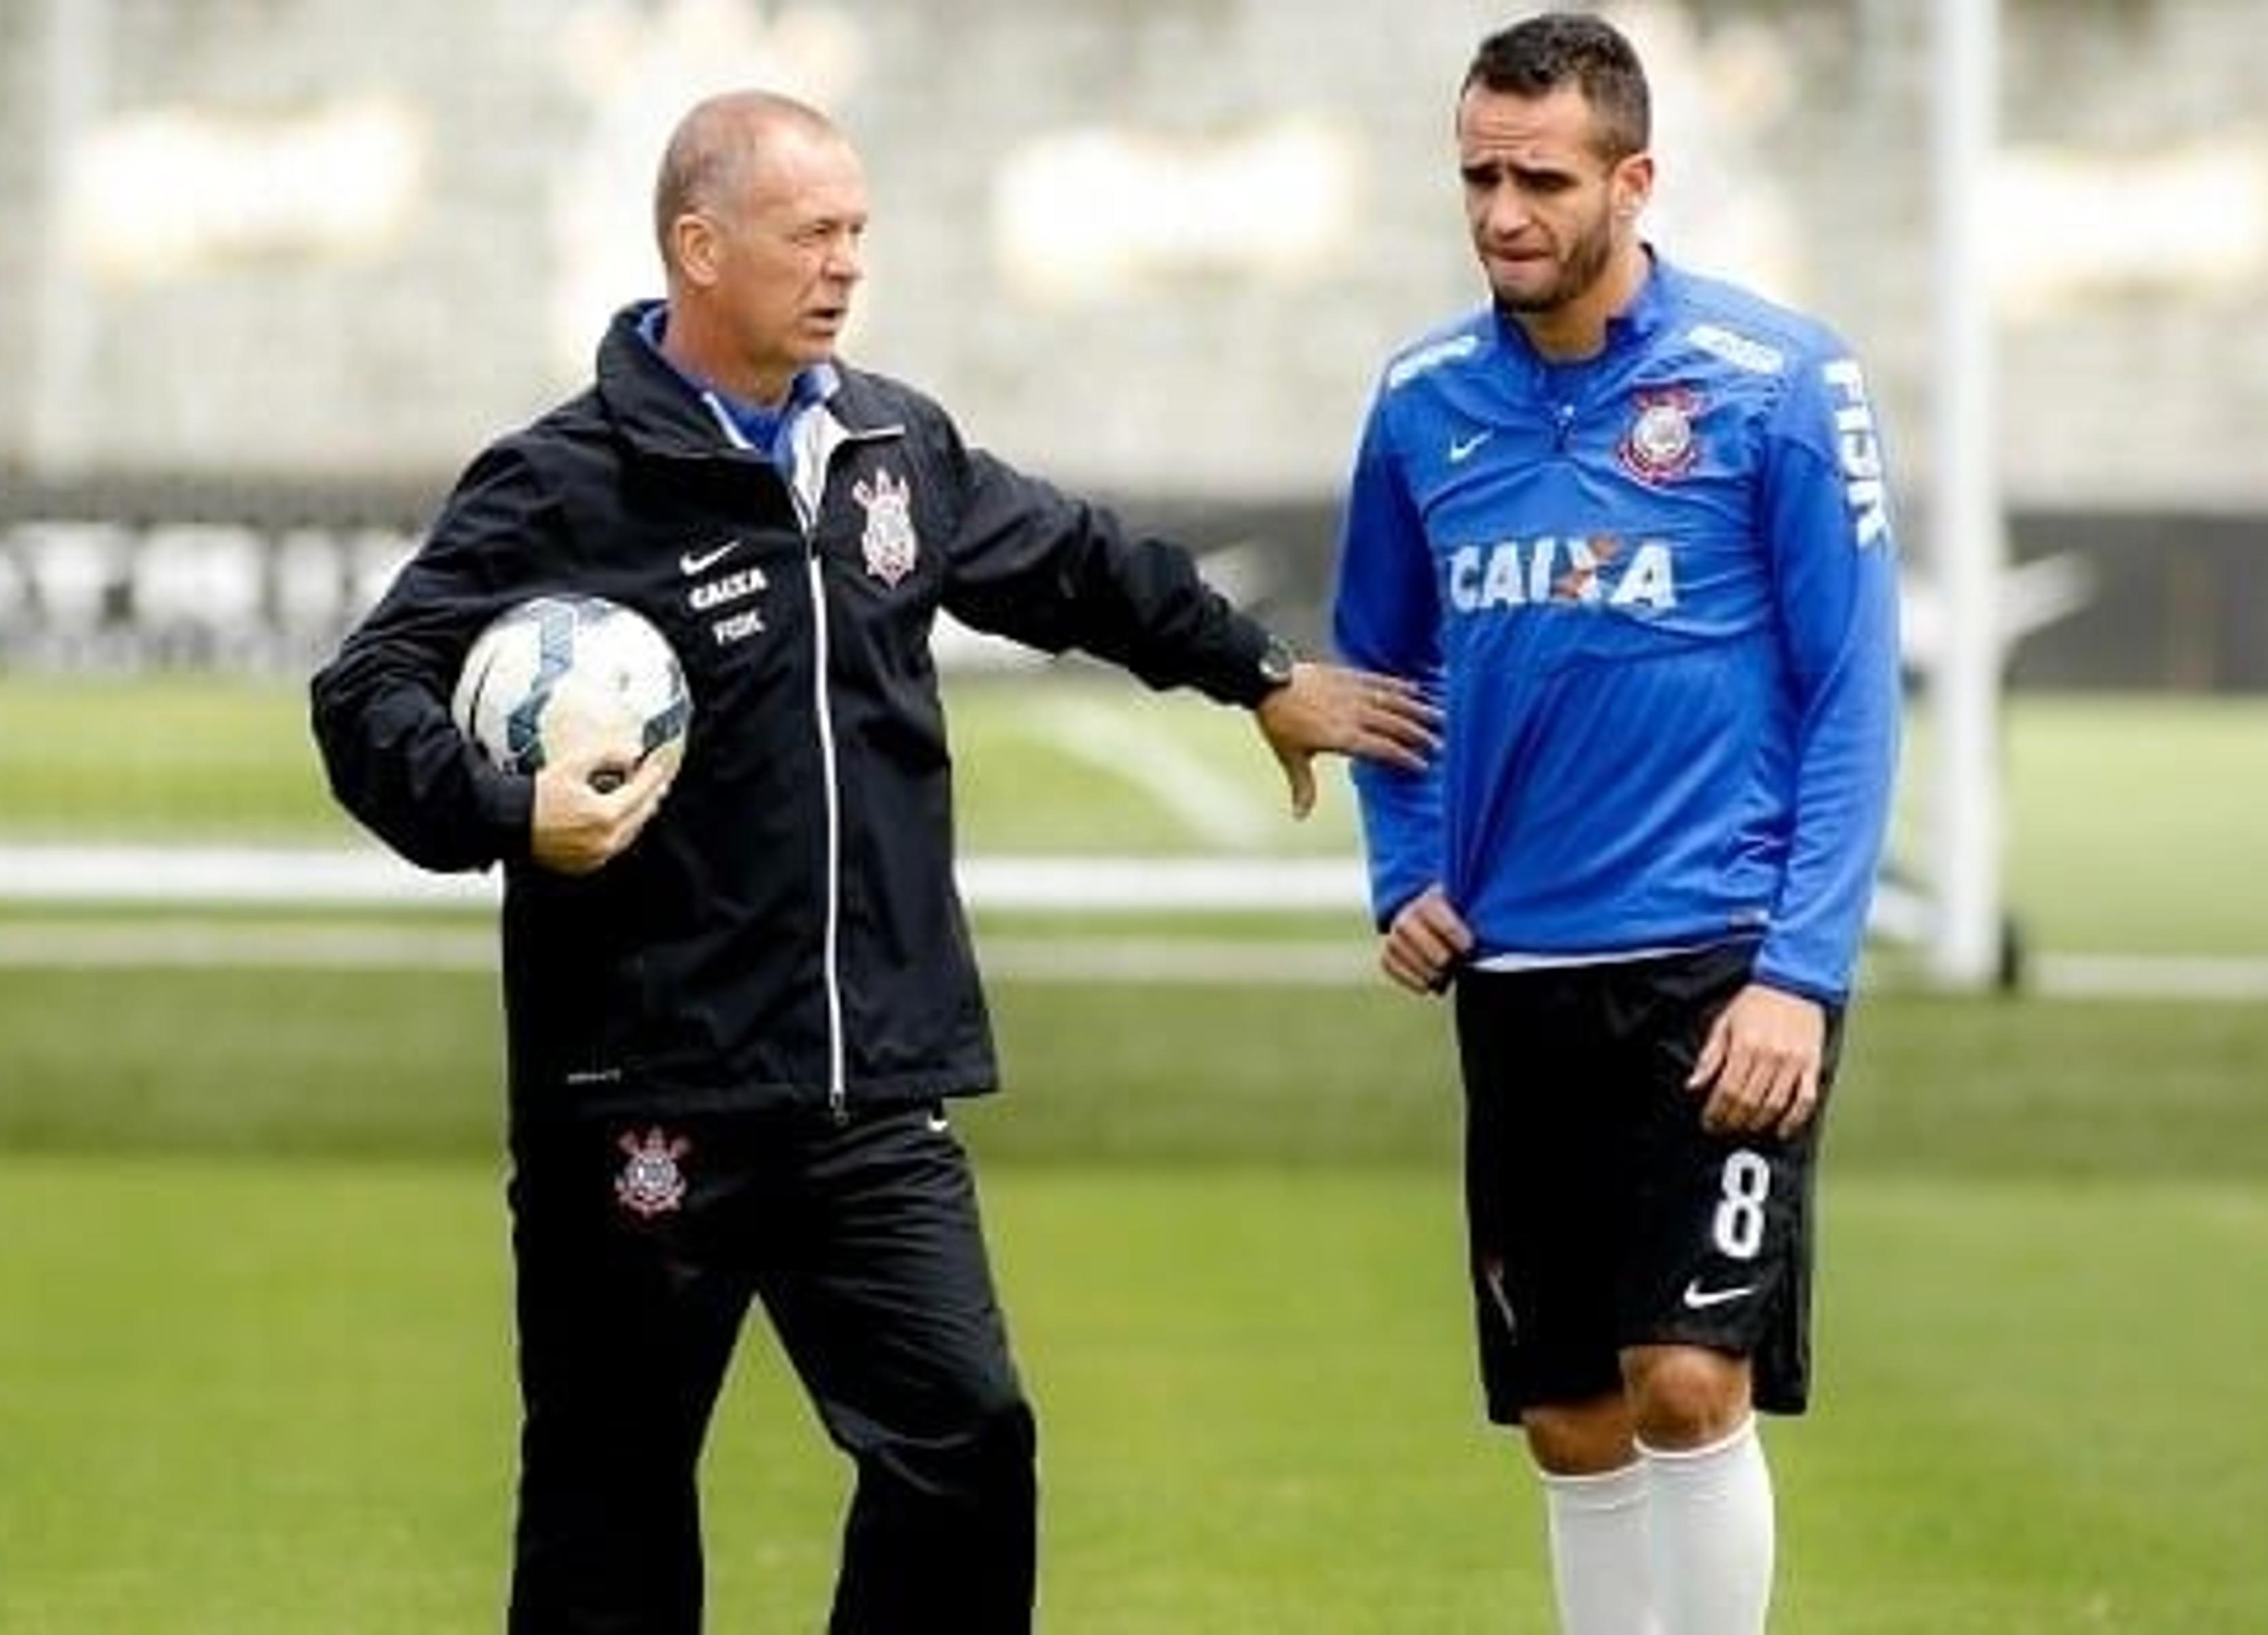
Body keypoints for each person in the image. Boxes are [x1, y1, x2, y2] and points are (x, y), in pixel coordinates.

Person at [311, 89, 1435, 1634]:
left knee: (969, 1449)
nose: (845, 266)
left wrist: (1254, 669)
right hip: (642, 1100)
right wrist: (510, 813)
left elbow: (1072, 564)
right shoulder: (563, 484)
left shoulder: (891, 446)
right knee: (610, 1507)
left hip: (867, 1096)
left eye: (857, 233)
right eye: (809, 234)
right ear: (699, 249)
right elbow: (366, 690)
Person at [1329, 14, 1902, 1635]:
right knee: (1571, 1410)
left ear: (1635, 180)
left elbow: (1856, 689)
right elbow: (1377, 665)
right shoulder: (1422, 402)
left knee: (1685, 1377)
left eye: (1543, 178)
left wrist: (1800, 968)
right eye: (1479, 176)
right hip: (1515, 975)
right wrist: (1405, 868)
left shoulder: (1781, 383)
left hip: (1718, 972)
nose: (1504, 211)